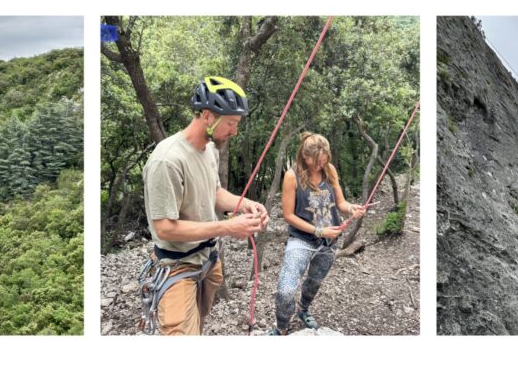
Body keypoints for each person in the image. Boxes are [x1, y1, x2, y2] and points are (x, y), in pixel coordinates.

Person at [141, 76, 269, 335]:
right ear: (208, 117)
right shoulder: (167, 161)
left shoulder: (210, 149)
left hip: (208, 261)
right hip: (177, 266)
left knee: (198, 325)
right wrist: (228, 227)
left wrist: (246, 204)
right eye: (231, 123)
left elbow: (214, 193)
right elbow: (165, 229)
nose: (235, 131)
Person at [270, 132, 367, 335]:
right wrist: (318, 229)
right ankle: (281, 326)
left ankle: (303, 309)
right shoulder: (292, 176)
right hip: (302, 239)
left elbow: (340, 203)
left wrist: (351, 209)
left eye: (323, 161)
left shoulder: (329, 170)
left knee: (314, 281)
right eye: (315, 162)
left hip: (329, 242)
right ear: (303, 156)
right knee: (285, 289)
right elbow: (288, 215)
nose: (319, 166)